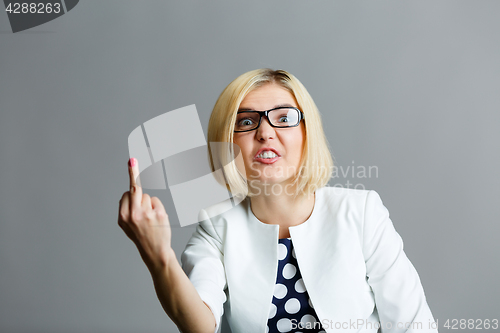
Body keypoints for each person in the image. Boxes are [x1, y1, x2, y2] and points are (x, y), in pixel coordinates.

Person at [118, 69, 438, 333]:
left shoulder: (362, 212)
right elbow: (200, 325)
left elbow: (414, 325)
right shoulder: (217, 225)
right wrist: (158, 254)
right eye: (246, 121)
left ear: (306, 134)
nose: (265, 132)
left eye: (283, 118)